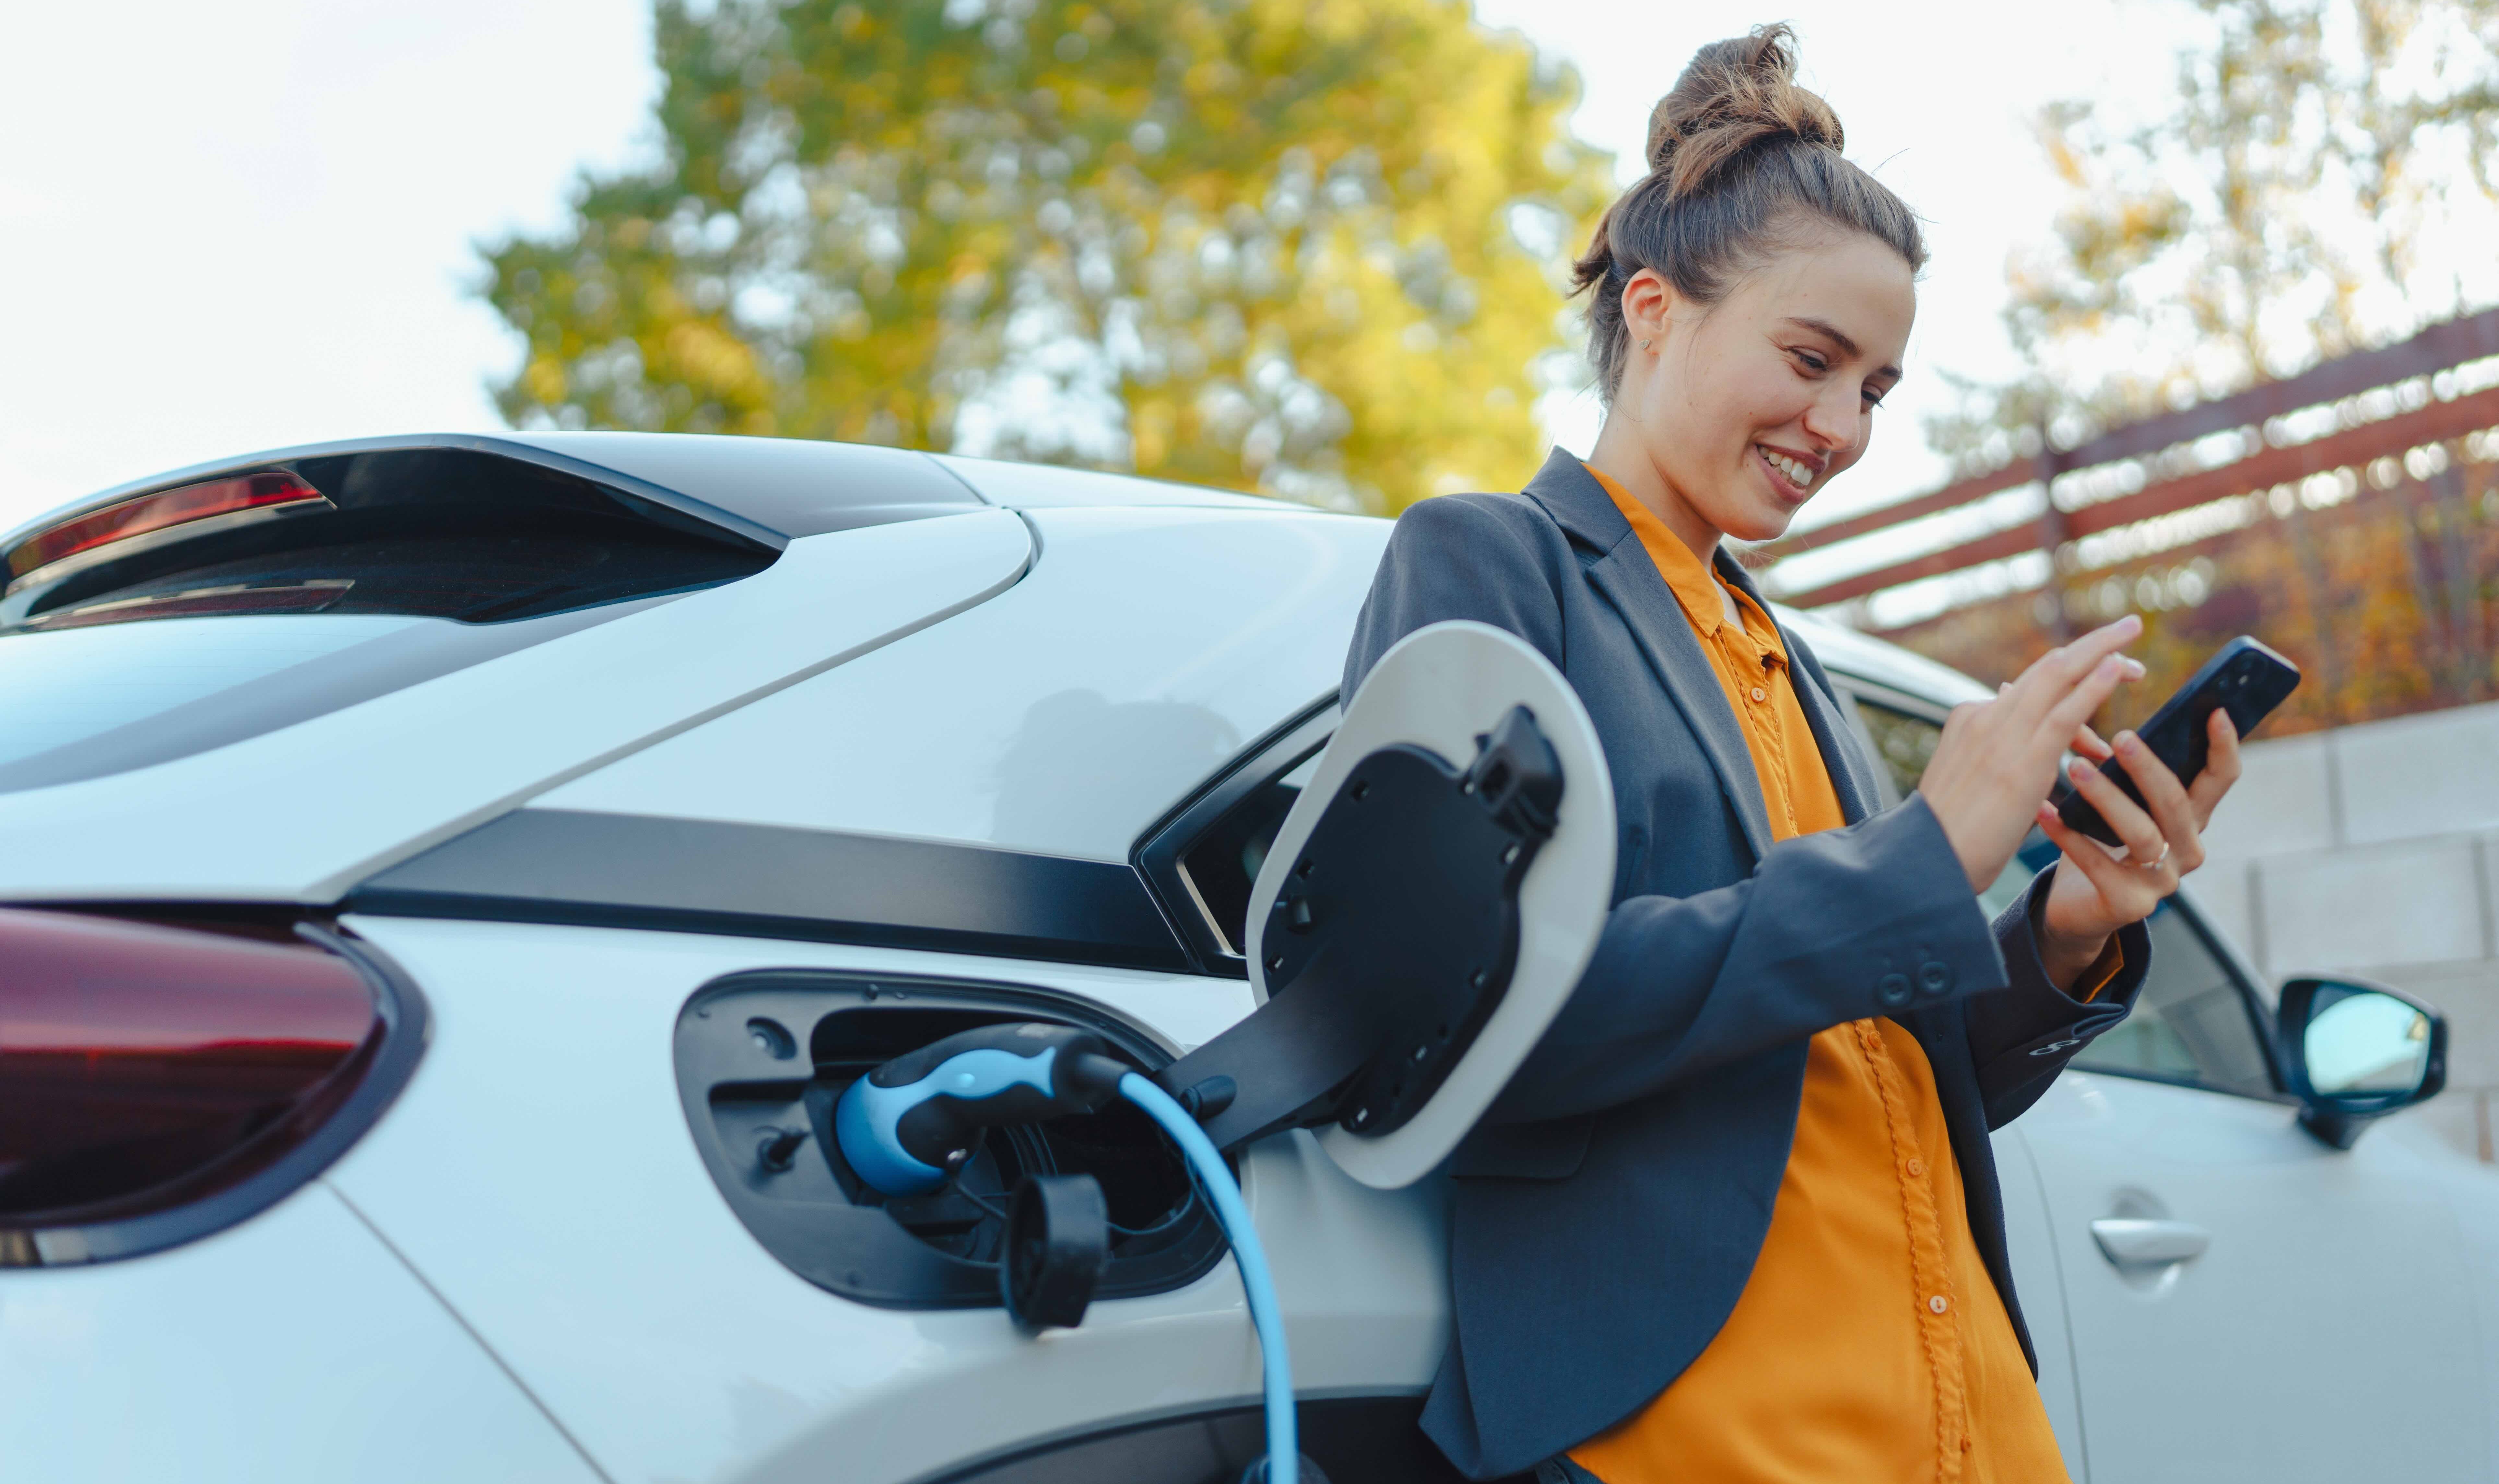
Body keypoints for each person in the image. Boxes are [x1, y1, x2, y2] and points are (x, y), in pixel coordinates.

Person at [1341, 25, 2245, 1484]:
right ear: (1653, 309)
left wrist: (2069, 930)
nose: (1839, 428)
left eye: (1876, 390)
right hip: (1700, 1432)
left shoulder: (1787, 656)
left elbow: (1882, 1065)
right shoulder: (1489, 561)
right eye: (1811, 359)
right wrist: (1920, 860)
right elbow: (1462, 1015)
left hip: (1961, 1417)